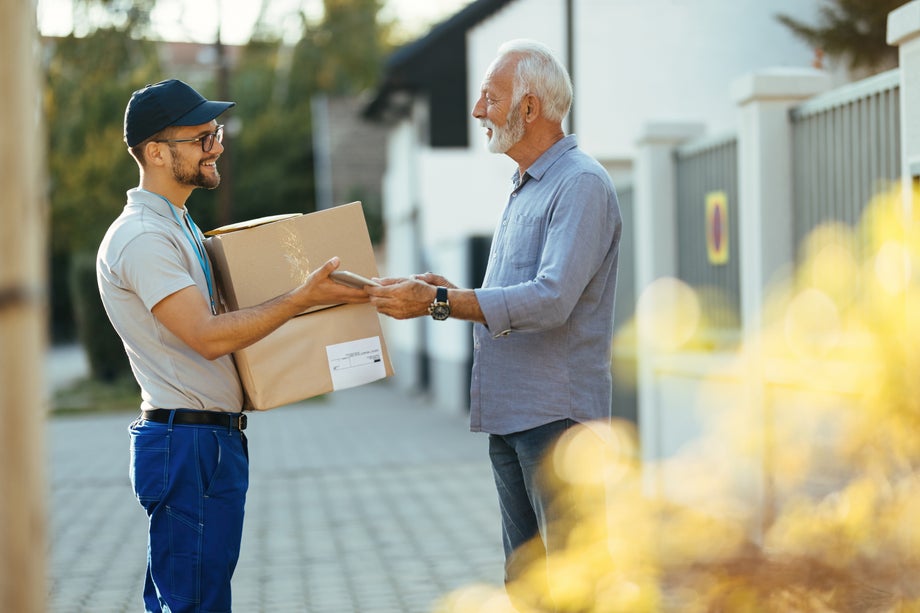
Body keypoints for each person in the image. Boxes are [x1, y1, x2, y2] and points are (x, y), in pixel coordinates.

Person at [367, 40, 622, 609]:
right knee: (527, 583)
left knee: (574, 587)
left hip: (557, 420)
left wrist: (440, 301)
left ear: (529, 108)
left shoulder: (580, 183)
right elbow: (513, 301)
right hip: (513, 414)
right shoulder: (527, 185)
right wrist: (447, 296)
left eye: (490, 96)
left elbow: (551, 300)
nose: (478, 110)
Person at [96, 79, 367, 613]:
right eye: (201, 138)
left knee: (202, 598)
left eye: (215, 132)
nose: (217, 145)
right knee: (192, 605)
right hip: (185, 445)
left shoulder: (182, 227)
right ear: (155, 151)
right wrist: (299, 299)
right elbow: (207, 335)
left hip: (208, 443)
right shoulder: (144, 238)